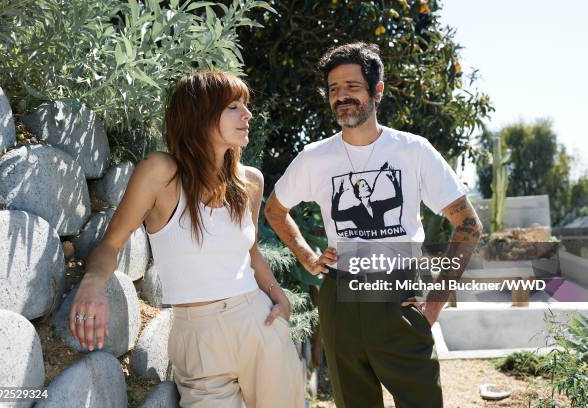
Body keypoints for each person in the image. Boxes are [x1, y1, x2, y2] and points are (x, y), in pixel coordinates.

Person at [264, 42, 483, 408]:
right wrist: (306, 255)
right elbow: (274, 210)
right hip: (340, 299)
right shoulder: (315, 158)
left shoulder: (413, 151)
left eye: (352, 87)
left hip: (399, 293)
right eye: (334, 89)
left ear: (376, 90)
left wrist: (433, 305)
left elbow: (469, 225)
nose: (342, 97)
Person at [69, 71, 305, 408]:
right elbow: (110, 244)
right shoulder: (160, 173)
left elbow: (250, 253)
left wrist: (280, 299)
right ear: (201, 115)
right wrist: (92, 283)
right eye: (234, 107)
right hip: (197, 333)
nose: (247, 114)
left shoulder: (250, 181)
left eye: (246, 106)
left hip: (258, 320)